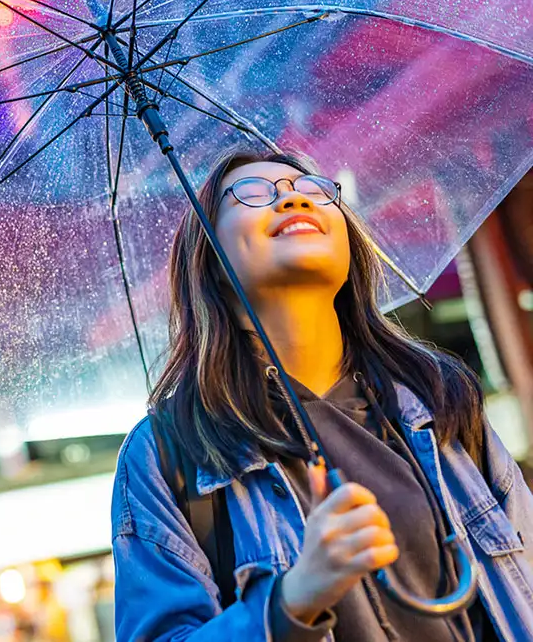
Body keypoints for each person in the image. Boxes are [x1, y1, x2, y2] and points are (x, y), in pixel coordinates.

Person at [111, 149, 533, 641]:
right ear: (212, 263)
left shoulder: (437, 396)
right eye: (252, 195)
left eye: (312, 189)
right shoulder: (168, 453)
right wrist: (295, 599)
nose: (292, 200)